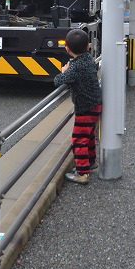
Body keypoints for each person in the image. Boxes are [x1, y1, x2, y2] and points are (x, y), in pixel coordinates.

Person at [54, 29, 103, 185]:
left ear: (67, 48)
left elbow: (58, 81)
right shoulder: (88, 59)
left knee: (79, 139)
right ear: (88, 47)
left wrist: (63, 71)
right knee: (88, 136)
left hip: (85, 108)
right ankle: (91, 161)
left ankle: (82, 173)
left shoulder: (75, 67)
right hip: (95, 104)